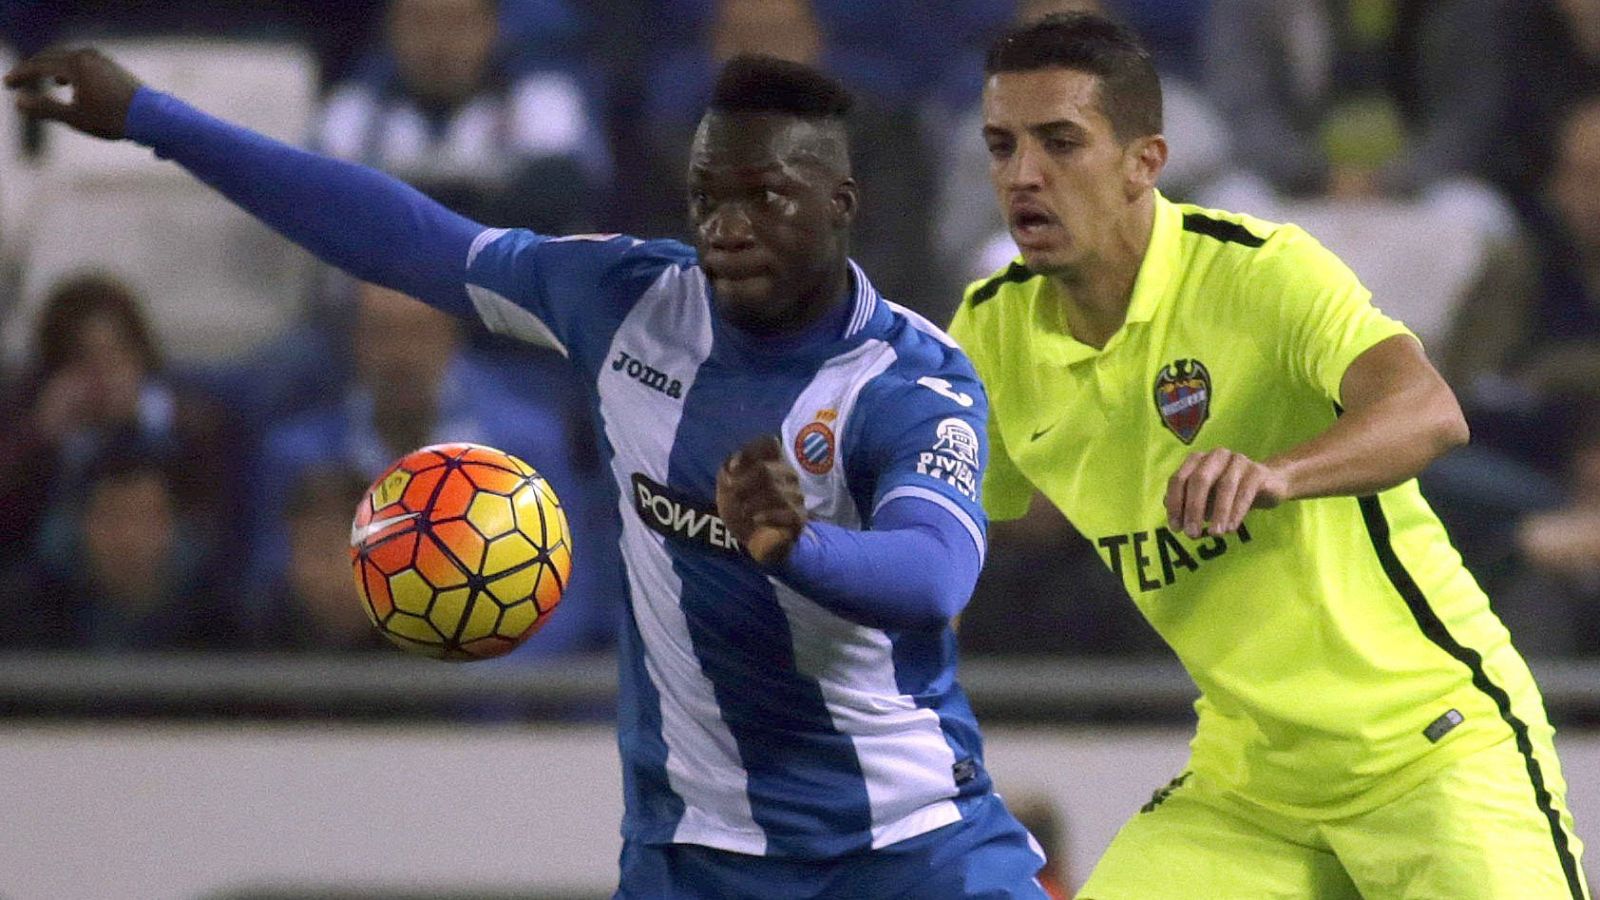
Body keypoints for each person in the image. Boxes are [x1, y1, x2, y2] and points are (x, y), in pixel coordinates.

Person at [6, 48, 1048, 898]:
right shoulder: (628, 300)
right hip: (696, 857)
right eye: (706, 199)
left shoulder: (910, 382)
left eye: (766, 198)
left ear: (841, 202)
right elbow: (398, 236)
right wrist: (153, 117)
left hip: (908, 850)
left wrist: (798, 546)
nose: (727, 229)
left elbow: (937, 573)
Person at [948, 13, 1587, 899]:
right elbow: (946, 531)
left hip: (1430, 744)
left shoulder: (1259, 270)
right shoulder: (989, 327)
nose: (1023, 174)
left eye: (1061, 142)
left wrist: (1279, 470)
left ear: (1145, 161)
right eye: (1001, 145)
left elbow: (1428, 410)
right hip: (1251, 784)